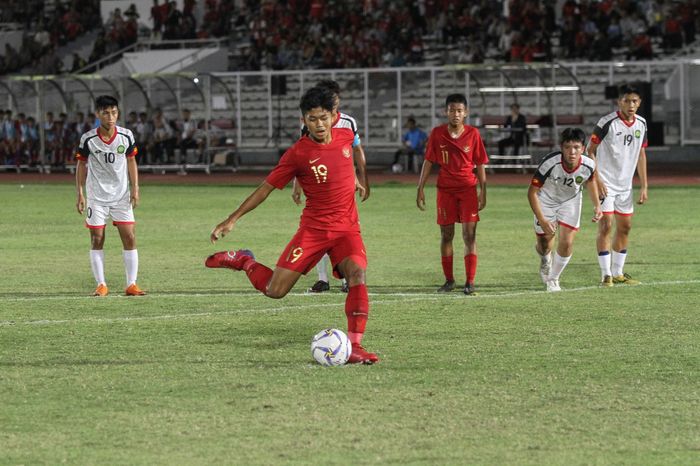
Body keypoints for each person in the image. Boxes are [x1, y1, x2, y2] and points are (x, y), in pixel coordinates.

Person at [205, 86, 378, 365]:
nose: (319, 125)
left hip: (347, 229)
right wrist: (233, 218)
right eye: (312, 119)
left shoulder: (346, 136)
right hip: (314, 231)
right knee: (275, 291)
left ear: (334, 116)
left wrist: (355, 179)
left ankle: (355, 346)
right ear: (303, 121)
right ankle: (244, 261)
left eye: (323, 118)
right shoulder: (298, 153)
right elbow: (265, 188)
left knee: (357, 275)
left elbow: (347, 162)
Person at [291, 79, 369, 294]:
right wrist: (297, 186)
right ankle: (323, 279)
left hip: (343, 188)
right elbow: (302, 157)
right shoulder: (310, 125)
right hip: (319, 186)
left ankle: (346, 279)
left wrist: (360, 179)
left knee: (344, 232)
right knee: (322, 230)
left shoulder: (348, 123)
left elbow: (355, 152)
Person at [416, 93, 488, 295]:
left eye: (459, 110)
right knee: (446, 235)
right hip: (445, 190)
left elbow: (480, 163)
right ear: (445, 112)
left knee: (469, 235)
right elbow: (428, 161)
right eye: (452, 110)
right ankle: (449, 280)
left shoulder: (473, 134)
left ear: (466, 113)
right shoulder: (437, 133)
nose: (455, 114)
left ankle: (470, 281)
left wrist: (483, 190)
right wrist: (420, 187)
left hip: (468, 190)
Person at [75, 95, 146, 297]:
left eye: (114, 112)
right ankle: (101, 284)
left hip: (121, 196)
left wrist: (135, 188)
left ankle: (131, 284)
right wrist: (80, 193)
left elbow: (131, 161)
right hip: (96, 197)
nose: (110, 117)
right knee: (97, 238)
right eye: (106, 113)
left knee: (130, 237)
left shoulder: (126, 135)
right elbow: (81, 165)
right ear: (98, 114)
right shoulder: (88, 139)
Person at [587, 84, 648, 286]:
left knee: (626, 227)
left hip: (625, 187)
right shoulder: (607, 122)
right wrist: (597, 178)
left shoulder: (641, 123)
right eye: (627, 100)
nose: (631, 105)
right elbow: (590, 151)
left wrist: (644, 186)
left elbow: (641, 154)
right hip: (606, 184)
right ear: (619, 101)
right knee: (606, 225)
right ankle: (606, 275)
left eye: (635, 101)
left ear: (639, 103)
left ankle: (618, 272)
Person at [528, 128, 603, 292]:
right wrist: (542, 219)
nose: (572, 152)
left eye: (576, 147)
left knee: (567, 241)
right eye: (568, 147)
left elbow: (590, 181)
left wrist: (597, 205)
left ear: (583, 148)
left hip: (571, 200)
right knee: (544, 242)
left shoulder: (589, 164)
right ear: (561, 147)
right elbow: (531, 192)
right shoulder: (549, 163)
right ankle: (545, 260)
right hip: (546, 200)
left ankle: (553, 279)